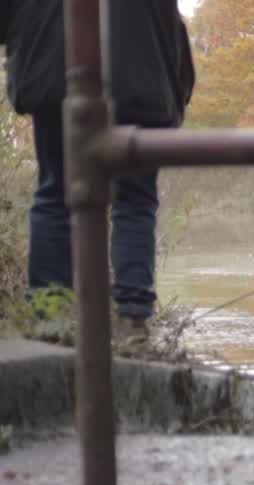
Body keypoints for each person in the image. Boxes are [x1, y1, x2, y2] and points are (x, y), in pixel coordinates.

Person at [4, 0, 195, 342]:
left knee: (55, 194)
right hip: (142, 73)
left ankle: (50, 318)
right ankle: (132, 318)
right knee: (135, 200)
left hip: (56, 69)